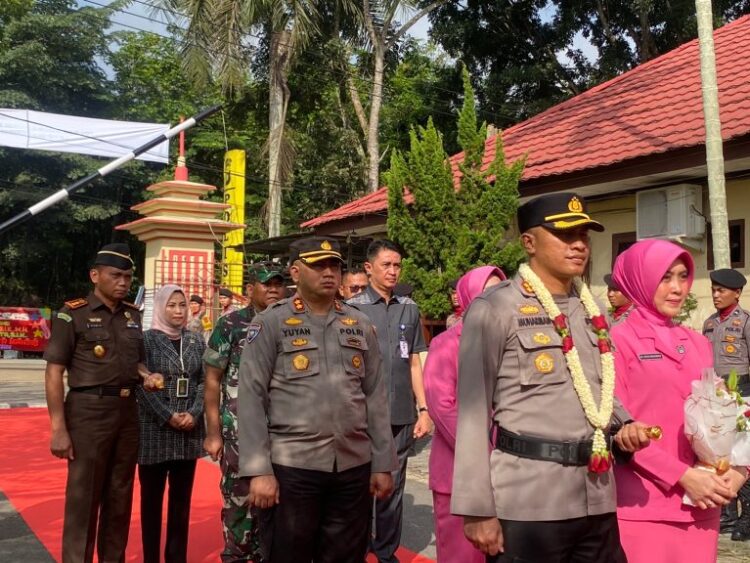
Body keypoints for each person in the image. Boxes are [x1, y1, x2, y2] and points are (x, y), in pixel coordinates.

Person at [452, 193, 649, 562]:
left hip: (595, 495)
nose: (579, 245)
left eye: (583, 235)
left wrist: (625, 424)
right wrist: (476, 508)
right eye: (565, 235)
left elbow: (597, 388)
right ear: (529, 242)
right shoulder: (496, 309)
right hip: (530, 499)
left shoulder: (592, 309)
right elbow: (473, 413)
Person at [237, 237, 397, 562]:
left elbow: (375, 395)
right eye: (318, 265)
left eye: (334, 265)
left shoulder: (359, 324)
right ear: (296, 272)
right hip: (293, 467)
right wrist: (258, 470)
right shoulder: (271, 322)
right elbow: (251, 397)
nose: (329, 273)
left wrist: (383, 463)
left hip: (352, 467)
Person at [610, 240, 749, 561]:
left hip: (702, 503)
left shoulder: (698, 342)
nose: (677, 288)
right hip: (644, 505)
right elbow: (616, 426)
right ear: (638, 279)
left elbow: (725, 411)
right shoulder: (615, 342)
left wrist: (739, 468)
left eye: (683, 276)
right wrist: (683, 476)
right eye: (664, 277)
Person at [43, 243, 163, 563]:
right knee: (83, 499)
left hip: (127, 412)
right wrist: (58, 428)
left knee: (120, 497)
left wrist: (147, 375)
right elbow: (54, 372)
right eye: (115, 276)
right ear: (95, 276)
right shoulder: (73, 314)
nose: (123, 282)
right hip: (88, 413)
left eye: (128, 277)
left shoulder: (132, 315)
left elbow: (136, 363)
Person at [348, 239, 432, 563]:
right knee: (358, 485)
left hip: (399, 414)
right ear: (369, 268)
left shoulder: (409, 308)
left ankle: (385, 551)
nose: (393, 271)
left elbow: (413, 362)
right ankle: (355, 547)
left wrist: (423, 409)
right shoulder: (352, 309)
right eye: (387, 265)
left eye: (397, 265)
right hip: (360, 415)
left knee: (393, 487)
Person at [203, 263, 285, 561]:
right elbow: (212, 380)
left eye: (278, 284)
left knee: (277, 506)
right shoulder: (231, 324)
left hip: (282, 432)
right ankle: (237, 555)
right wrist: (213, 433)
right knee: (239, 502)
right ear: (250, 289)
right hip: (238, 433)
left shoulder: (291, 323)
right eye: (267, 284)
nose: (273, 290)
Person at [424, 265, 506, 563]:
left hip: (510, 475)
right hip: (459, 473)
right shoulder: (446, 343)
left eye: (501, 291)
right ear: (469, 297)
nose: (495, 300)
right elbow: (442, 406)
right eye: (487, 293)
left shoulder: (509, 342)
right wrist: (489, 450)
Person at [136, 285, 206, 563]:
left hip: (188, 432)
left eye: (182, 305)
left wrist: (195, 412)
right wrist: (167, 415)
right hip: (154, 431)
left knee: (181, 505)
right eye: (172, 305)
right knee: (151, 504)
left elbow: (205, 380)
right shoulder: (146, 341)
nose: (178, 311)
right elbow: (140, 384)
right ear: (161, 307)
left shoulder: (196, 340)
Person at [702, 268, 750, 540]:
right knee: (720, 456)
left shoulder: (745, 322)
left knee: (743, 457)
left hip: (742, 393)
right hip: (716, 395)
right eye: (713, 290)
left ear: (737, 293)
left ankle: (747, 518)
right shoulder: (709, 323)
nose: (716, 295)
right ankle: (727, 515)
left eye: (721, 290)